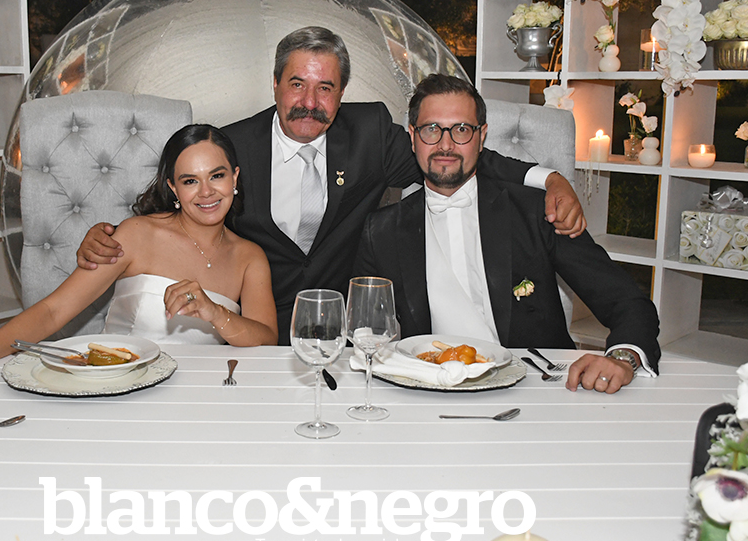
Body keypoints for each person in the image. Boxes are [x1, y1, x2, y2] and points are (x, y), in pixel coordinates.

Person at [76, 27, 586, 345]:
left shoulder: (370, 134)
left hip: (344, 332)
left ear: (342, 93)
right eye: (297, 84)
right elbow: (182, 206)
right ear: (275, 84)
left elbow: (453, 155)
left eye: (325, 88)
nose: (309, 101)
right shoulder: (234, 146)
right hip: (253, 334)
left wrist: (549, 178)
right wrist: (108, 237)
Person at [354, 74, 661, 394]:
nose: (446, 145)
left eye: (461, 129)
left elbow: (626, 300)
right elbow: (364, 332)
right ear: (412, 137)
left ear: (481, 137)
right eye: (432, 129)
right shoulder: (382, 230)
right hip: (427, 392)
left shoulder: (537, 212)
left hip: (536, 390)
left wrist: (623, 357)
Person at [0, 125, 277, 384]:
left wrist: (214, 311)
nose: (206, 192)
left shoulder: (249, 257)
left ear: (234, 177)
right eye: (190, 181)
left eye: (216, 176)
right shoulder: (136, 235)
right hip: (114, 387)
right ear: (173, 188)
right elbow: (53, 311)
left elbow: (267, 341)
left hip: (199, 396)